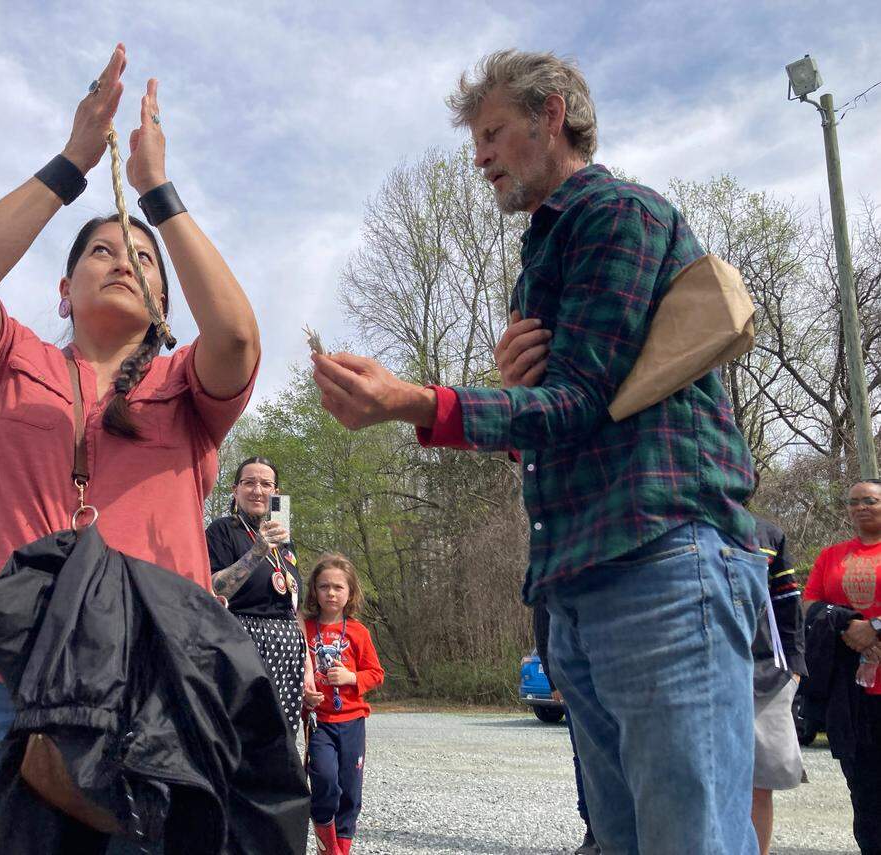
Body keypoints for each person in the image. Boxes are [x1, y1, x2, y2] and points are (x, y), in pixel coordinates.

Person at [310, 49, 763, 854]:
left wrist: (415, 402)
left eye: (492, 132)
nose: (479, 155)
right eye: (475, 140)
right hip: (578, 582)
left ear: (551, 115)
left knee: (690, 839)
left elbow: (580, 402)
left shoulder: (617, 215)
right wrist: (520, 409)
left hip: (661, 563)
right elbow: (564, 431)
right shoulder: (537, 261)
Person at [0, 43, 261, 853]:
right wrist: (78, 160)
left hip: (145, 681)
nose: (122, 258)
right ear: (63, 291)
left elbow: (240, 335)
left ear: (165, 303)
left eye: (142, 258)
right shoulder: (6, 362)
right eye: (101, 250)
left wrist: (157, 196)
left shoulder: (188, 388)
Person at [802, 479, 881, 855]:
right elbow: (810, 606)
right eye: (853, 502)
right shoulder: (831, 556)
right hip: (849, 693)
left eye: (871, 500)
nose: (861, 507)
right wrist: (847, 623)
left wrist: (875, 627)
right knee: (864, 789)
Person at [207, 456, 314, 733]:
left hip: (287, 646)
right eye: (249, 483)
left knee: (281, 735)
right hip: (242, 640)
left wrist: (308, 666)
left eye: (266, 484)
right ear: (235, 490)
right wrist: (257, 551)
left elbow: (293, 604)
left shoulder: (284, 540)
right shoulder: (222, 530)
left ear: (276, 493)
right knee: (243, 733)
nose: (258, 490)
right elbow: (214, 588)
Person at [302, 553, 384, 855]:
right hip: (320, 723)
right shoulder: (305, 629)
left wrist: (351, 678)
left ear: (350, 592)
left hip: (352, 722)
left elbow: (376, 674)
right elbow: (297, 673)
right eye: (324, 587)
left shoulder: (358, 632)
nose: (331, 593)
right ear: (314, 591)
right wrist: (304, 696)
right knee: (325, 781)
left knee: (350, 790)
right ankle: (327, 842)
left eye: (338, 587)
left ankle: (340, 850)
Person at [749, 511, 806, 855]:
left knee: (760, 783)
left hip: (765, 674)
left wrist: (794, 666)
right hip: (701, 672)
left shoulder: (768, 534)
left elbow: (788, 603)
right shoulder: (681, 526)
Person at [532, 604, 598, 855]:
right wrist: (553, 678)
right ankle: (592, 831)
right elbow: (542, 621)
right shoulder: (556, 565)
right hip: (576, 678)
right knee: (585, 756)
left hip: (618, 670)